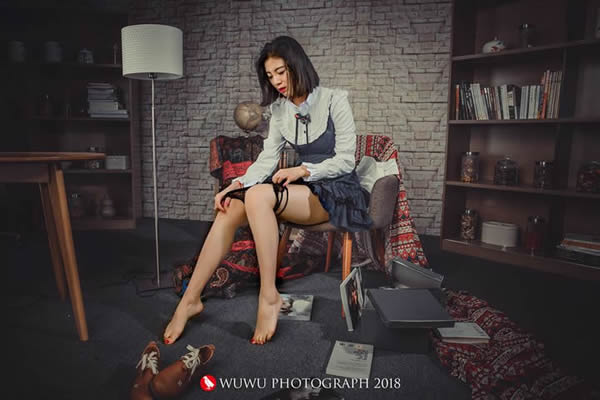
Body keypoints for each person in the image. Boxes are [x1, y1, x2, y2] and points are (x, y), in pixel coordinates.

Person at [163, 36, 372, 346]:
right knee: (231, 207)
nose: (276, 81)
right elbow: (267, 159)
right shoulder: (279, 110)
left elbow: (345, 160)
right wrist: (235, 185)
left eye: (281, 72)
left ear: (297, 66)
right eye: (270, 75)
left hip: (336, 191)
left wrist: (302, 170)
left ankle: (268, 294)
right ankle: (190, 300)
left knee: (259, 195)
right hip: (304, 189)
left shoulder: (334, 100)